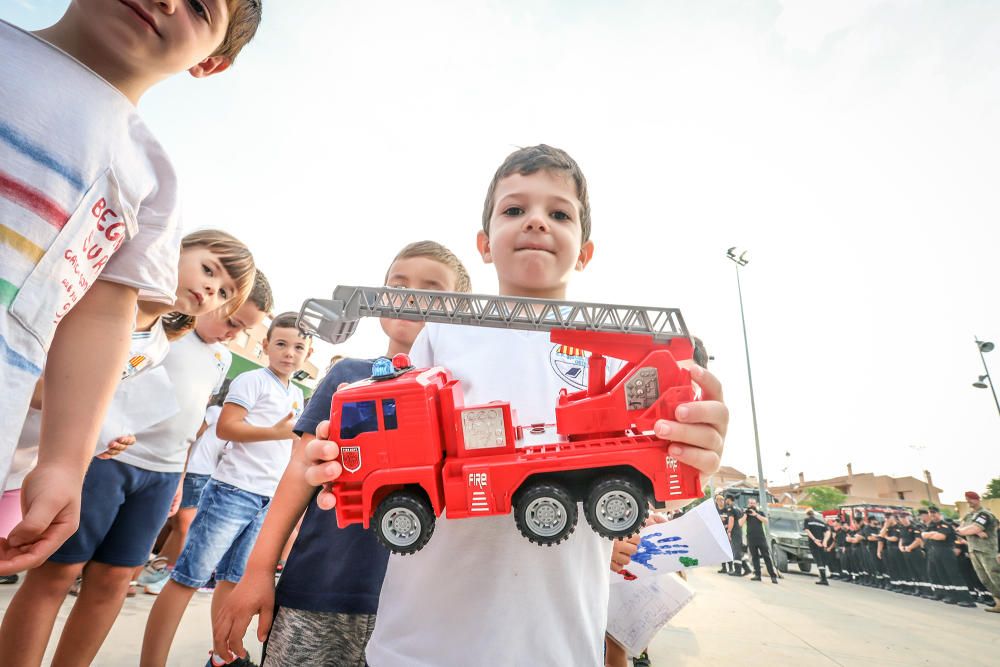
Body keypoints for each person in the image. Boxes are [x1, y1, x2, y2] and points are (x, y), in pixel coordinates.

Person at [266, 144, 729, 667]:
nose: (535, 221)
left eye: (558, 213)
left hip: (557, 646)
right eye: (514, 210)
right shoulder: (443, 332)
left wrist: (694, 443)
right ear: (484, 245)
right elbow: (396, 408)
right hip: (417, 643)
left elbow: (663, 435)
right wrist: (331, 453)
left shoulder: (614, 345)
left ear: (585, 252)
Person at [0, 1, 263, 576]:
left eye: (199, 6)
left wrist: (66, 462)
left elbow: (100, 313)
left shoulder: (150, 177)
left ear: (212, 62)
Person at [0, 231, 257, 666]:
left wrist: (170, 473)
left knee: (116, 579)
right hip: (81, 462)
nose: (212, 290)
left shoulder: (163, 342)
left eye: (225, 292)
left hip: (153, 473)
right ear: (173, 248)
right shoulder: (97, 302)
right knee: (55, 572)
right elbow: (48, 385)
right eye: (209, 270)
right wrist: (92, 433)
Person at [213, 241, 471, 667]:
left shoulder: (465, 392)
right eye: (398, 283)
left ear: (462, 308)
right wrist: (259, 569)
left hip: (420, 606)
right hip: (320, 586)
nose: (409, 295)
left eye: (431, 288)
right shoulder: (349, 375)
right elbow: (299, 470)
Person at [140, 313, 311, 666]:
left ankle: (222, 657)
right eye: (280, 343)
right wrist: (277, 433)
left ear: (308, 352)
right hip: (232, 493)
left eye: (298, 346)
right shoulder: (252, 380)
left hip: (267, 500)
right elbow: (227, 428)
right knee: (187, 579)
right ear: (265, 346)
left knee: (232, 583)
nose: (289, 353)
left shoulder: (296, 392)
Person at [140, 272, 275, 593]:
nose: (232, 334)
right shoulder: (161, 331)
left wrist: (181, 474)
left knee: (120, 573)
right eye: (232, 322)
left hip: (167, 470)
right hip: (116, 457)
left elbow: (194, 424)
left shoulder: (222, 357)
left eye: (243, 330)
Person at [921, 506, 976, 607]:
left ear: (939, 513)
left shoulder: (945, 525)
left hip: (946, 551)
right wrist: (932, 533)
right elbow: (923, 534)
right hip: (935, 552)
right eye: (930, 513)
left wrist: (931, 534)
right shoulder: (931, 525)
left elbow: (941, 537)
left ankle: (967, 599)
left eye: (934, 513)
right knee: (942, 575)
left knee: (953, 575)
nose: (932, 515)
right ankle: (952, 596)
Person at [957, 491, 1000, 612]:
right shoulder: (968, 516)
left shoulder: (984, 514)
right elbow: (960, 529)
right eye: (967, 499)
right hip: (973, 549)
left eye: (971, 498)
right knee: (984, 579)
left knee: (995, 576)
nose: (969, 501)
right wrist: (974, 531)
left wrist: (972, 530)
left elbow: (973, 528)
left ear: (978, 499)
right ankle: (999, 603)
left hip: (987, 550)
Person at [740, 497, 776, 583]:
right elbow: (740, 523)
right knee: (755, 558)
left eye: (753, 503)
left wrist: (756, 514)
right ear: (748, 504)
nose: (752, 504)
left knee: (766, 557)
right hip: (751, 538)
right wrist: (745, 514)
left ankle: (773, 576)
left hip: (761, 538)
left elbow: (766, 521)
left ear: (756, 504)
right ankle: (757, 575)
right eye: (750, 503)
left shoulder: (760, 513)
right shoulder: (746, 514)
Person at [803, 509, 832, 586]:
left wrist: (814, 539)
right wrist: (825, 541)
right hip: (822, 543)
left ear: (807, 514)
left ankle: (823, 579)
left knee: (818, 560)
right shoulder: (820, 522)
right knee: (822, 560)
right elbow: (828, 531)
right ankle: (823, 577)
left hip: (814, 543)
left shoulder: (807, 520)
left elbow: (807, 530)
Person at [725, 496, 749, 576]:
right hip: (739, 531)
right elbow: (741, 520)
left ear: (729, 500)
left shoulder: (730, 508)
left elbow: (731, 520)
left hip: (734, 531)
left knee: (736, 551)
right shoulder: (738, 508)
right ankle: (747, 568)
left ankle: (737, 571)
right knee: (739, 551)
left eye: (726, 499)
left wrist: (729, 531)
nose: (725, 501)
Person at [714, 494, 734, 574]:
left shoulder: (727, 510)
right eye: (718, 500)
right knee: (721, 550)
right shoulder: (715, 510)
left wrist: (728, 528)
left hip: (726, 531)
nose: (720, 502)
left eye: (722, 500)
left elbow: (730, 520)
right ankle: (724, 567)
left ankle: (731, 568)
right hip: (719, 532)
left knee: (728, 550)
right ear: (716, 501)